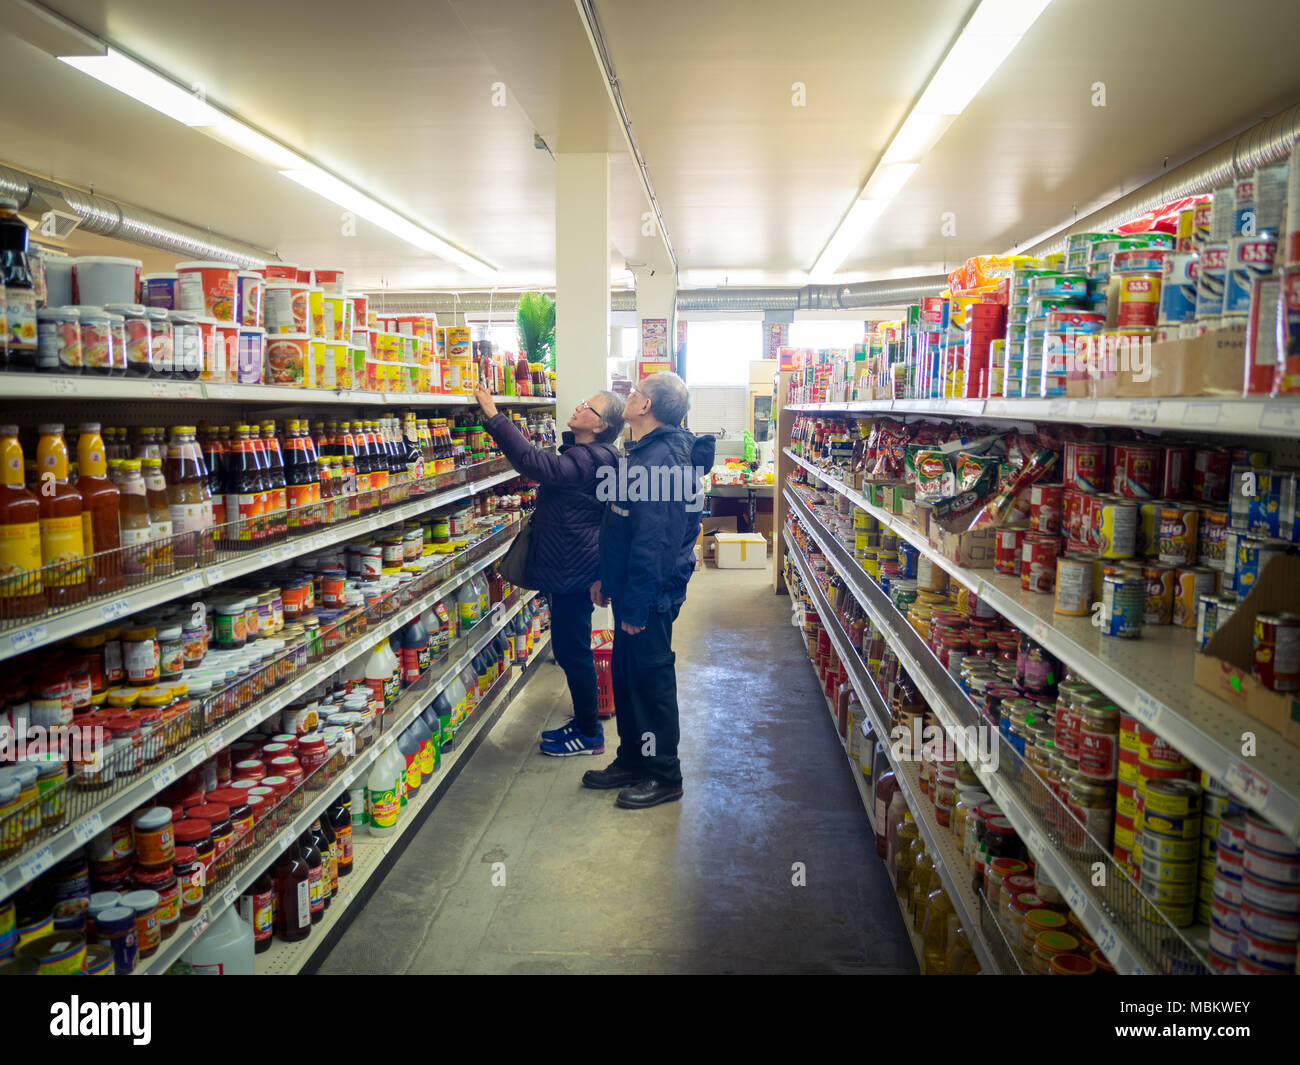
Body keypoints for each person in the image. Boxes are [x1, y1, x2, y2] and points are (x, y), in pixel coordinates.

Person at [585, 371, 714, 809]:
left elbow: (655, 544)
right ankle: (634, 759)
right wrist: (608, 577)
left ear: (646, 408)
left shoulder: (665, 463)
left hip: (651, 595)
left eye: (635, 393)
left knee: (651, 680)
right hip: (631, 590)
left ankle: (663, 773)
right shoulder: (643, 451)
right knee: (626, 676)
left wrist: (637, 605)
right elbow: (623, 523)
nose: (629, 396)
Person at [474, 382, 625, 756]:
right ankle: (584, 722)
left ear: (601, 425)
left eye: (588, 406)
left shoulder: (592, 458)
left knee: (572, 649)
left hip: (576, 567)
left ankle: (589, 733)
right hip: (573, 564)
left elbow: (534, 464)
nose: (578, 406)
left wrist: (494, 417)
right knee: (570, 646)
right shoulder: (593, 454)